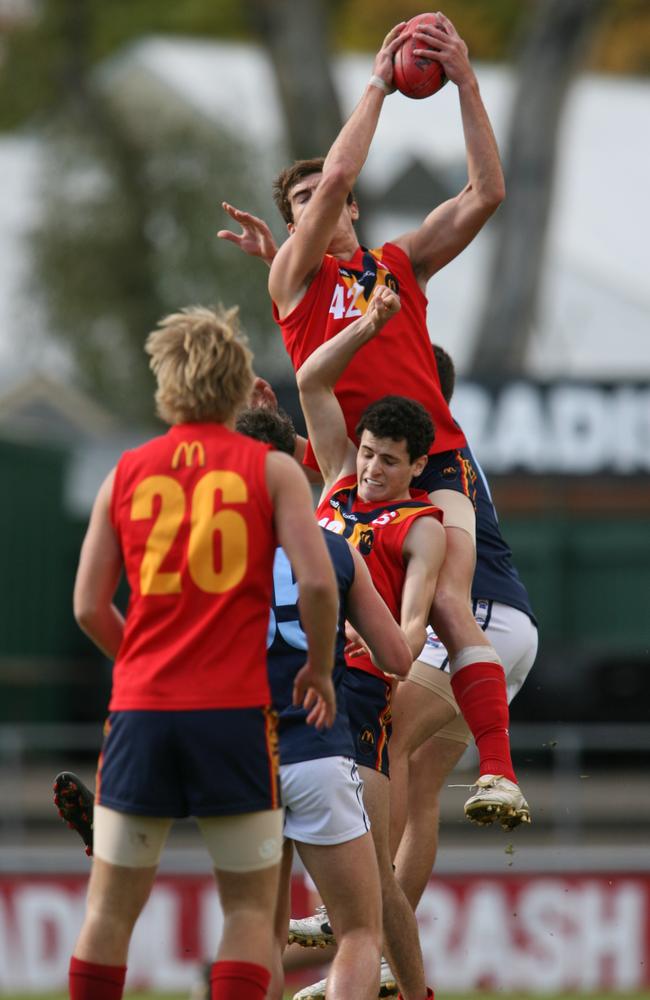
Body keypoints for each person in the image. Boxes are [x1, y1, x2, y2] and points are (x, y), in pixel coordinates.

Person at [218, 11, 528, 827]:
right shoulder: (292, 278)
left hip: (435, 460)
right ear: (294, 226)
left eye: (325, 193)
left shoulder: (396, 263)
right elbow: (344, 163)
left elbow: (488, 192)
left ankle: (499, 771)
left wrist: (465, 80)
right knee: (360, 674)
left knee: (450, 598)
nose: (314, 204)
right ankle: (342, 886)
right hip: (352, 478)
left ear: (353, 205)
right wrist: (379, 85)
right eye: (299, 201)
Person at [67, 305, 340, 1000]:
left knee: (108, 914)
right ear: (240, 380)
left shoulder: (125, 472)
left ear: (166, 381)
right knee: (249, 912)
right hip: (235, 716)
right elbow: (314, 579)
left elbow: (88, 606)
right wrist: (318, 667)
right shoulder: (272, 469)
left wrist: (139, 663)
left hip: (141, 713)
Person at [293, 285, 444, 1000]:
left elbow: (412, 629)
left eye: (389, 460)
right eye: (367, 453)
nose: (372, 469)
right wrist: (369, 324)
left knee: (377, 877)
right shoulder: (331, 491)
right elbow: (312, 380)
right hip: (290, 682)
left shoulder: (419, 527)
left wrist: (376, 634)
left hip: (358, 693)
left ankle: (415, 994)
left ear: (417, 465)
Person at [393, 343, 538, 908]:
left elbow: (355, 467)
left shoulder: (429, 447)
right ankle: (383, 938)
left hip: (475, 620)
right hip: (509, 624)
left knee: (384, 743)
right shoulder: (444, 447)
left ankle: (355, 899)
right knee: (421, 786)